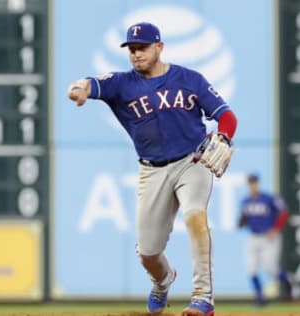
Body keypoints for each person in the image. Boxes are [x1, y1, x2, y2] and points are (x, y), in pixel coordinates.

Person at [67, 22, 238, 316]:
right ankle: (163, 280)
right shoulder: (122, 84)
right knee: (148, 251)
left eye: (142, 47)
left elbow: (226, 116)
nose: (136, 54)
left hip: (192, 162)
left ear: (159, 47)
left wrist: (223, 136)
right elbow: (88, 83)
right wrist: (78, 90)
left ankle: (203, 298)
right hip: (152, 170)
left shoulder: (189, 79)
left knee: (196, 218)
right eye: (132, 49)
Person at [238, 173, 293, 306]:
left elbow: (284, 214)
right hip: (253, 237)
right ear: (248, 184)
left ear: (258, 183)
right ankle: (260, 297)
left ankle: (288, 281)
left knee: (270, 268)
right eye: (251, 182)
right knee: (251, 268)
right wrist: (242, 221)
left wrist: (276, 229)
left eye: (254, 182)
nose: (253, 184)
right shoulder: (246, 201)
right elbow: (242, 221)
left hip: (269, 237)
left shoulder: (269, 199)